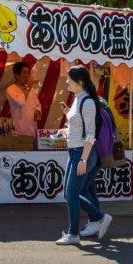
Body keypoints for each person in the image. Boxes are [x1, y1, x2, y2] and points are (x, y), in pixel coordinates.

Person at [55, 66, 111, 245]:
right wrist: (66, 129)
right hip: (75, 151)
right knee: (69, 193)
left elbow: (91, 134)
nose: (66, 82)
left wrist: (83, 160)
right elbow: (79, 128)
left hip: (82, 152)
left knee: (71, 194)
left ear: (79, 82)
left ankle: (74, 233)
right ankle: (98, 218)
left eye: (69, 79)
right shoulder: (77, 99)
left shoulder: (86, 102)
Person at [6, 61, 42, 138]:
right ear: (17, 75)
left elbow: (37, 104)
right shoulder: (11, 89)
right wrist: (29, 87)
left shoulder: (30, 89)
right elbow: (20, 102)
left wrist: (37, 111)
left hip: (32, 128)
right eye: (24, 73)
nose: (27, 75)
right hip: (19, 130)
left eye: (28, 73)